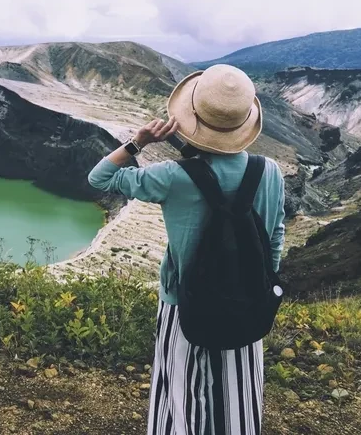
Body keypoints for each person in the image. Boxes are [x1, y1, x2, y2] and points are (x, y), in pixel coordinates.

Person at [88, 64, 286, 435]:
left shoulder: (172, 176)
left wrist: (139, 141)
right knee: (237, 395)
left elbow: (100, 177)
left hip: (183, 300)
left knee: (182, 391)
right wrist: (257, 286)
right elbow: (275, 236)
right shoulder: (270, 171)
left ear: (190, 119)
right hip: (247, 299)